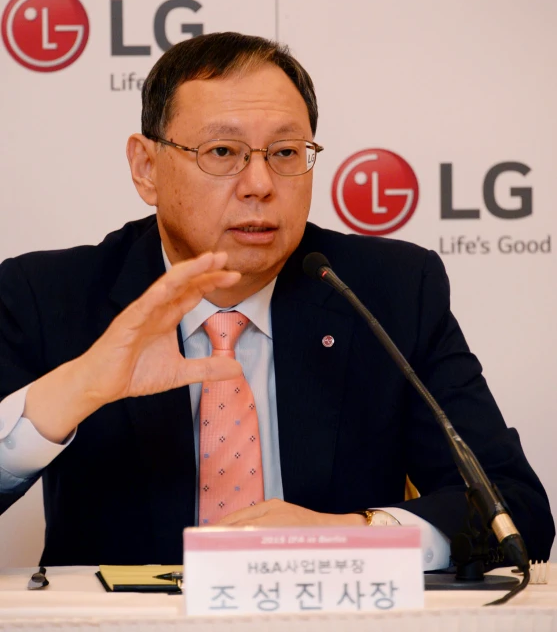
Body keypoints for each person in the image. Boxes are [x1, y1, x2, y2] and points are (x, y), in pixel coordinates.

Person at [0, 32, 553, 567]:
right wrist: (77, 388)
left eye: (286, 152)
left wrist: (351, 536)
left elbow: (516, 512)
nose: (260, 183)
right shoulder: (51, 296)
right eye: (223, 151)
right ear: (147, 168)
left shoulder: (388, 291)